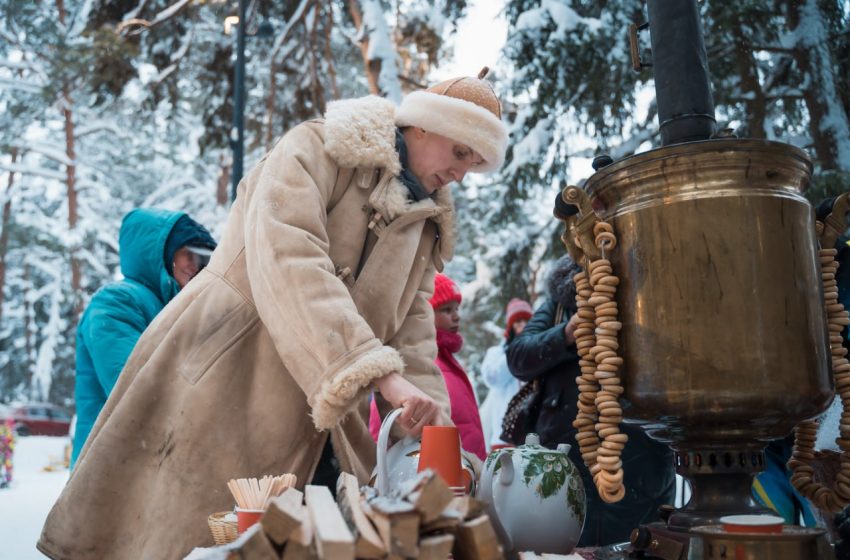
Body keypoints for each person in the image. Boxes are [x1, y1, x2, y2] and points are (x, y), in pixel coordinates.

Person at [39, 70, 508, 559]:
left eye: (474, 163)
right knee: (175, 540)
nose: (461, 173)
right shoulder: (319, 149)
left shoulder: (425, 229)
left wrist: (438, 443)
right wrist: (379, 374)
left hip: (318, 424)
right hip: (222, 382)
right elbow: (289, 259)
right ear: (422, 125)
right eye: (459, 152)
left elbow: (413, 341)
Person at [507, 254, 675, 547]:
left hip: (640, 460)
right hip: (564, 458)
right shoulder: (559, 304)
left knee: (638, 545)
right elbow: (519, 355)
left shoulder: (650, 290)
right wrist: (568, 334)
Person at [70, 208, 217, 468]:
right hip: (109, 469)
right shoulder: (118, 301)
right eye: (188, 254)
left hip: (145, 466)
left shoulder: (177, 308)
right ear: (164, 253)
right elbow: (133, 389)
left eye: (203, 258)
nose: (196, 266)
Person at [371, 273, 487, 459]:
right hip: (433, 472)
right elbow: (384, 421)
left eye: (457, 309)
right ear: (424, 314)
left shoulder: (452, 364)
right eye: (446, 310)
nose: (456, 316)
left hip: (463, 471)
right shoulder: (411, 365)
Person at [479, 297, 533, 451]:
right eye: (518, 322)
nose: (523, 326)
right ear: (510, 328)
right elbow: (493, 378)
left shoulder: (537, 353)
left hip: (533, 439)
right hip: (503, 439)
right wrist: (516, 350)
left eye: (526, 321)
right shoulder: (497, 353)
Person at [0, 417, 14, 488]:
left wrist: (9, 447)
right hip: (2, 451)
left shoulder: (12, 431)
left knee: (8, 466)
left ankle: (8, 480)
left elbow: (13, 441)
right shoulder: (3, 429)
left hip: (8, 452)